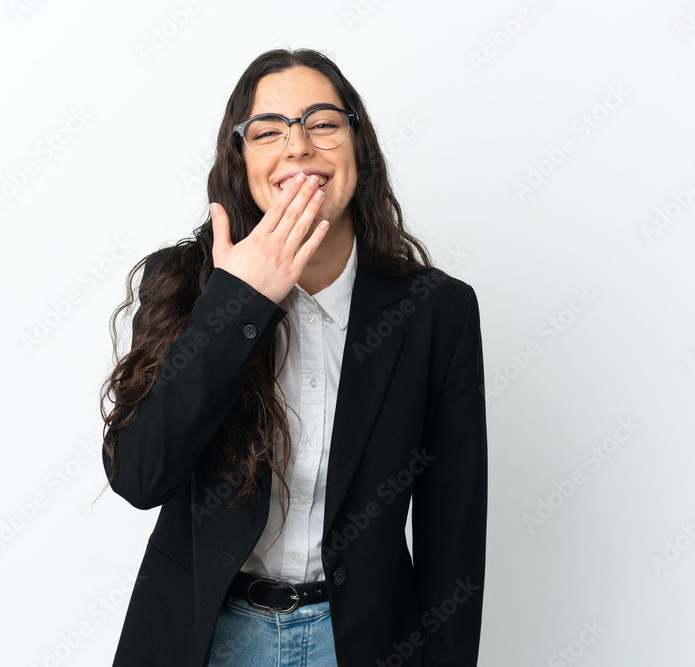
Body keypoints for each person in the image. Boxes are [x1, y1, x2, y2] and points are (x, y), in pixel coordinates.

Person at [100, 47, 487, 667]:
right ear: (242, 160)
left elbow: (455, 531)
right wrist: (240, 305)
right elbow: (140, 477)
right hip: (206, 639)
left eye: (323, 123)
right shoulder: (181, 282)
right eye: (269, 130)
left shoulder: (435, 311)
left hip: (365, 642)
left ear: (359, 146)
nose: (299, 146)